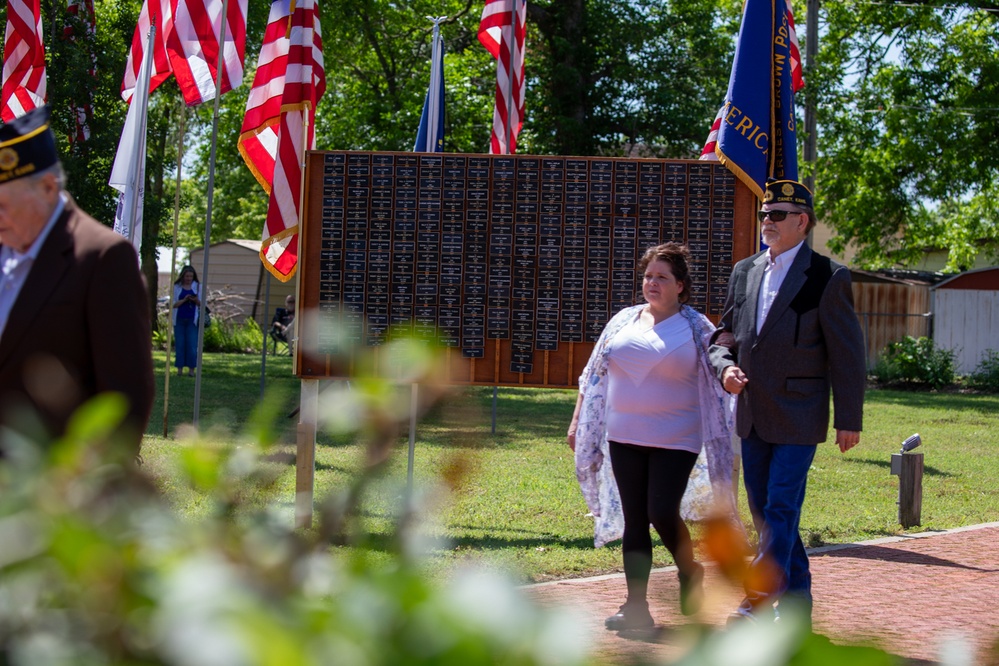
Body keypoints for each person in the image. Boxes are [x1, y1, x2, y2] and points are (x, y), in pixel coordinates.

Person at [708, 178, 866, 626]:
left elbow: (847, 354)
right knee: (768, 514)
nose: (767, 222)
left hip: (800, 414)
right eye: (763, 214)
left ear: (802, 221)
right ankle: (796, 615)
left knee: (780, 507)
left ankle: (757, 598)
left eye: (777, 215)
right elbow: (725, 335)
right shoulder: (746, 270)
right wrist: (725, 367)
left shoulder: (827, 276)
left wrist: (848, 418)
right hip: (753, 413)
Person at [569, 242, 736, 631]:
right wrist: (579, 421)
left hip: (677, 435)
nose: (652, 283)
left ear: (680, 285)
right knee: (635, 520)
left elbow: (717, 370)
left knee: (661, 511)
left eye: (662, 277)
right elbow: (592, 374)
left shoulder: (698, 327)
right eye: (648, 276)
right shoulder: (623, 320)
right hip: (623, 434)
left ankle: (689, 570)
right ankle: (636, 608)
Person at [0, 106, 154, 457]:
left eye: (5, 204)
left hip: (47, 495)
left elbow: (124, 399)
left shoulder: (102, 257)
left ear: (47, 187)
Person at [172, 265, 202, 377]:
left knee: (192, 345)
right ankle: (179, 369)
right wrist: (184, 300)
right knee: (180, 345)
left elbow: (203, 304)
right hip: (179, 319)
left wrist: (195, 300)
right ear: (183, 276)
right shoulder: (176, 287)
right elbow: (173, 304)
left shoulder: (198, 287)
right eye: (187, 276)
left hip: (192, 320)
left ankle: (191, 370)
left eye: (191, 276)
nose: (189, 278)